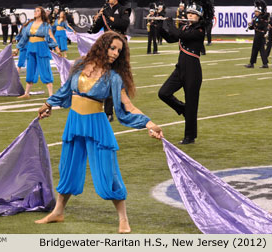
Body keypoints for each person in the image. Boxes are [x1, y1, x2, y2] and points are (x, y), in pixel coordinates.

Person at [35, 31, 164, 234]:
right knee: (68, 168)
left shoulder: (114, 78)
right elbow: (65, 90)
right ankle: (58, 212)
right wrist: (48, 104)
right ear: (102, 46)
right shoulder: (79, 65)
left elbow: (128, 107)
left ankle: (123, 218)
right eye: (112, 48)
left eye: (119, 51)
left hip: (97, 126)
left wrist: (150, 124)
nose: (115, 53)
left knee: (108, 172)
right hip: (74, 123)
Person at [158, 0, 214, 144]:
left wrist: (170, 24)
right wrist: (160, 28)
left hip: (193, 71)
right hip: (180, 69)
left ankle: (190, 136)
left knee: (192, 104)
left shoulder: (200, 30)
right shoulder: (185, 28)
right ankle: (182, 108)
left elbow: (181, 36)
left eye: (193, 14)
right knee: (163, 93)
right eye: (188, 13)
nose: (189, 16)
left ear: (199, 17)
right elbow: (171, 38)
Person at [89, 0, 130, 123]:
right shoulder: (105, 10)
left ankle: (125, 105)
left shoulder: (123, 9)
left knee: (122, 77)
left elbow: (124, 24)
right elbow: (94, 30)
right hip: (107, 48)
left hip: (120, 47)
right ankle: (108, 112)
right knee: (107, 77)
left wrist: (108, 17)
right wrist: (96, 19)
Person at [13, 6, 61, 98]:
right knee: (30, 70)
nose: (35, 12)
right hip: (31, 48)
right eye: (35, 11)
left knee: (45, 69)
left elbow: (51, 38)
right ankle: (26, 93)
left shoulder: (46, 25)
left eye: (37, 11)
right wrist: (17, 49)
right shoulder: (30, 24)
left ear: (41, 13)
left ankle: (51, 94)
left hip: (41, 48)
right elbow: (24, 38)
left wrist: (57, 49)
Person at [245, 0, 269, 69]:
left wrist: (254, 25)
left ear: (260, 12)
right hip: (257, 35)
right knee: (258, 50)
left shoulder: (262, 18)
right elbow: (254, 27)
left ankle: (260, 64)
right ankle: (256, 63)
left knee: (258, 50)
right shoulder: (257, 18)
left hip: (260, 35)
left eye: (256, 11)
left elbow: (262, 27)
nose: (255, 13)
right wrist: (250, 26)